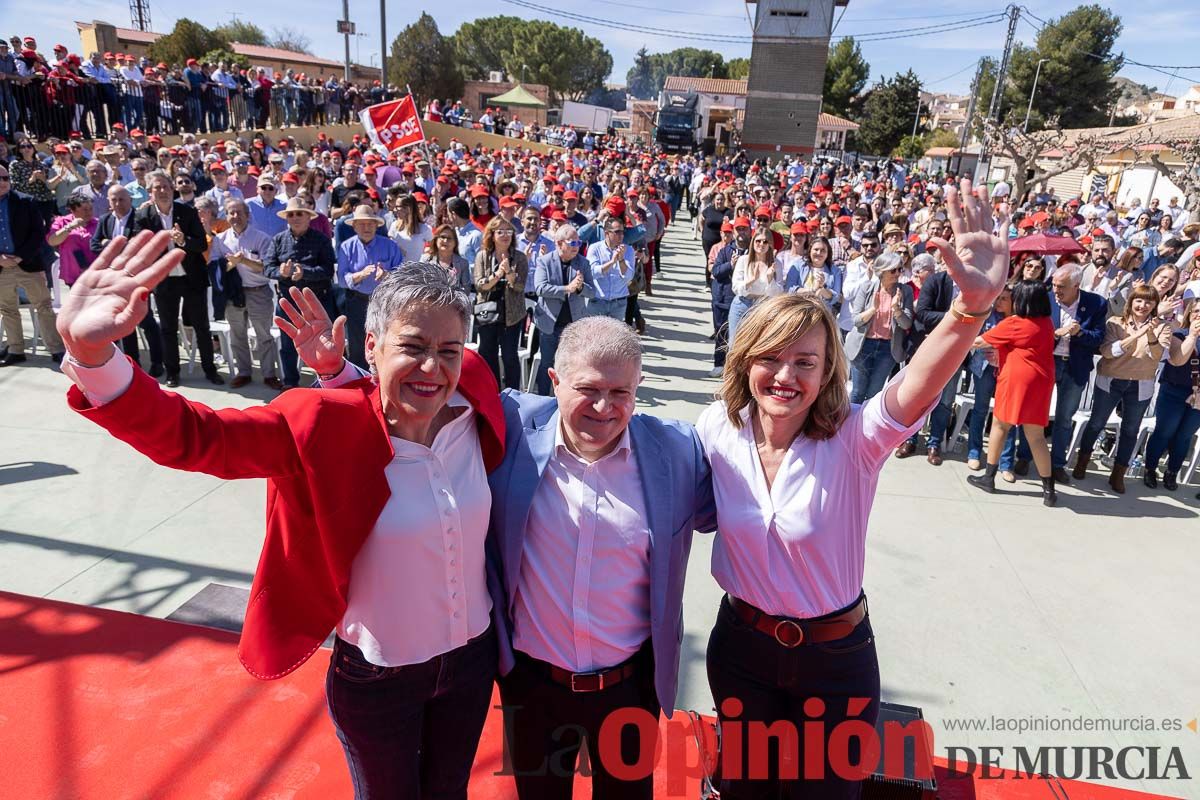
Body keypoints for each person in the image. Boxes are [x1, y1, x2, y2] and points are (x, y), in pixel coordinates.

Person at [57, 243, 506, 800]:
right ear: (373, 345)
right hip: (378, 676)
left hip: (471, 663)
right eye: (411, 347)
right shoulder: (322, 422)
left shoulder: (475, 392)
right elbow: (202, 439)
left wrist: (340, 372)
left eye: (448, 349)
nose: (433, 367)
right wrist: (97, 360)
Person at [699, 178, 1012, 799]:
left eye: (806, 362)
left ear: (828, 370)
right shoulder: (718, 428)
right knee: (743, 788)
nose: (785, 375)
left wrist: (968, 310)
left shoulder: (854, 439)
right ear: (744, 360)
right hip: (740, 651)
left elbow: (915, 388)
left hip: (834, 663)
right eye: (770, 357)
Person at [490, 315, 716, 799]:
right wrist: (333, 370)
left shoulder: (677, 452)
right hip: (533, 684)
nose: (604, 407)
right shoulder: (510, 428)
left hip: (629, 689)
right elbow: (419, 397)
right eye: (588, 388)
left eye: (621, 393)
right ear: (554, 381)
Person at [1071, 285, 1171, 493]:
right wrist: (1136, 335)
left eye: (1149, 302)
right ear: (1131, 301)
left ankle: (1118, 474)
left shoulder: (1162, 327)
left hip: (1141, 384)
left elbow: (1159, 356)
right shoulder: (1115, 323)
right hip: (1111, 380)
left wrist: (1150, 335)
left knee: (1130, 430)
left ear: (1155, 305)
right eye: (1139, 300)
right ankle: (1082, 462)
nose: (1143, 305)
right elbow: (1108, 352)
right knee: (1096, 422)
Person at [1012, 264, 1107, 482]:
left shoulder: (1096, 303)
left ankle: (1056, 465)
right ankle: (1025, 456)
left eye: (1061, 286)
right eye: (1054, 284)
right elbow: (1031, 332)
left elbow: (1098, 338)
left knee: (1065, 418)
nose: (1056, 290)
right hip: (1046, 363)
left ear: (1076, 285)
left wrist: (1080, 333)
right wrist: (1054, 335)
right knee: (1034, 413)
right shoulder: (1043, 298)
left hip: (1075, 367)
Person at [967, 280, 1058, 504]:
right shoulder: (1047, 323)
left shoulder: (1016, 323)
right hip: (1041, 382)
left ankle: (988, 477)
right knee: (1036, 437)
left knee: (1000, 426)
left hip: (1016, 380)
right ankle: (1049, 490)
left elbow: (979, 342)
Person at [132, 170, 221, 387]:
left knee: (202, 326)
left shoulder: (187, 212)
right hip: (164, 280)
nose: (162, 191)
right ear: (150, 192)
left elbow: (201, 244)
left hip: (192, 278)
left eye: (166, 187)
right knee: (168, 328)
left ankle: (210, 369)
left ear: (172, 189)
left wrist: (183, 241)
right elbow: (139, 249)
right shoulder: (143, 217)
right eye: (157, 188)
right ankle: (172, 371)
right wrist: (160, 243)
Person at [263, 195, 337, 390]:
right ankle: (290, 383)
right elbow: (267, 267)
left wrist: (306, 273)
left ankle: (326, 382)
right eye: (292, 214)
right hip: (288, 301)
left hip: (317, 301)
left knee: (323, 343)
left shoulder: (321, 240)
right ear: (287, 217)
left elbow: (328, 270)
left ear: (308, 217)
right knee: (288, 345)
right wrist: (280, 272)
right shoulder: (278, 240)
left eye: (300, 214)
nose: (296, 217)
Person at [208, 198, 280, 390]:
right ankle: (244, 372)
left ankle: (269, 374)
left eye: (240, 212)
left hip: (258, 292)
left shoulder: (262, 238)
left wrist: (243, 261)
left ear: (248, 215)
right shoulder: (220, 240)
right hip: (234, 295)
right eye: (231, 212)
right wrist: (231, 264)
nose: (236, 216)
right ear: (227, 215)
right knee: (237, 335)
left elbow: (266, 268)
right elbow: (216, 269)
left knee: (263, 335)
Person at [91, 184, 164, 375]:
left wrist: (112, 247)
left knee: (146, 321)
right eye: (113, 199)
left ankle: (158, 361)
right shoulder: (105, 220)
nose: (118, 203)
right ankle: (134, 364)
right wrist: (113, 249)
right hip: (113, 279)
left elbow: (142, 246)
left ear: (130, 200)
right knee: (124, 323)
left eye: (122, 199)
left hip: (137, 278)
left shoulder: (140, 219)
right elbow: (94, 245)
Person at [0, 162, 66, 366]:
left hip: (27, 263)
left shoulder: (26, 201)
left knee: (44, 306)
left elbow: (38, 234)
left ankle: (56, 349)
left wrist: (20, 256)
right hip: (2, 268)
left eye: (5, 178)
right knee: (8, 309)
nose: (3, 182)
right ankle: (16, 349)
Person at [1142, 300, 1200, 491]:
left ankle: (1172, 472)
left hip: (1198, 395)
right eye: (1197, 311)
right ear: (1190, 314)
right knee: (1165, 431)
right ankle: (1150, 468)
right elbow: (1177, 360)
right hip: (1174, 390)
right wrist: (1192, 336)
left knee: (1184, 436)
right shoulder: (1179, 334)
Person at [339, 204, 404, 369]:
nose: (366, 227)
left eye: (370, 223)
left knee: (384, 340)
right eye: (361, 223)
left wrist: (387, 276)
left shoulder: (390, 246)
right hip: (356, 301)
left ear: (376, 225)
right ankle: (359, 379)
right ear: (354, 226)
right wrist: (358, 275)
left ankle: (382, 377)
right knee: (357, 344)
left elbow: (401, 275)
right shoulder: (347, 247)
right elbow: (340, 278)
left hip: (383, 302)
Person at [532, 224, 594, 395]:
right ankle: (543, 398)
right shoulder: (544, 261)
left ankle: (568, 399)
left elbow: (592, 291)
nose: (577, 247)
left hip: (573, 327)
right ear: (559, 243)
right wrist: (567, 288)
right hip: (549, 324)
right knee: (547, 365)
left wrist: (580, 287)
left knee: (572, 367)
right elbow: (540, 288)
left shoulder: (583, 262)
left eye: (579, 242)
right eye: (572, 243)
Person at [845, 252, 914, 404]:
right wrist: (872, 310)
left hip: (887, 349)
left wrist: (896, 308)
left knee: (874, 394)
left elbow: (907, 324)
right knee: (857, 392)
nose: (898, 273)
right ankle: (851, 426)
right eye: (893, 270)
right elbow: (856, 320)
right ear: (882, 271)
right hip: (863, 346)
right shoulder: (867, 288)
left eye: (900, 269)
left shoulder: (905, 291)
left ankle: (867, 428)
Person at [473, 216, 528, 390]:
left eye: (509, 231)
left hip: (512, 315)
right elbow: (480, 286)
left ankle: (512, 394)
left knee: (510, 356)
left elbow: (519, 286)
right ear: (492, 234)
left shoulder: (520, 257)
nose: (505, 235)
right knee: (487, 355)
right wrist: (497, 274)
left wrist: (509, 272)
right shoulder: (482, 256)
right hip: (487, 313)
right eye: (500, 232)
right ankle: (492, 392)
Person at [965, 285, 1013, 472]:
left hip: (1008, 370)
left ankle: (1005, 462)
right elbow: (976, 338)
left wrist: (1003, 351)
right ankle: (974, 452)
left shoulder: (1017, 319)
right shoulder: (987, 314)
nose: (998, 302)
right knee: (980, 410)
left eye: (1004, 299)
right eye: (997, 297)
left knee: (1008, 415)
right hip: (984, 367)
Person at [709, 217, 751, 378]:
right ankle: (719, 363)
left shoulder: (753, 251)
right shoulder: (725, 251)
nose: (741, 233)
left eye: (744, 229)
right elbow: (715, 271)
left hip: (745, 301)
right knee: (721, 333)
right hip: (723, 298)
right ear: (734, 232)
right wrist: (730, 265)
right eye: (738, 229)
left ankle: (738, 369)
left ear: (749, 231)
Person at [727, 226, 784, 344]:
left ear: (770, 244)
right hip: (742, 305)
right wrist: (751, 280)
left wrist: (770, 279)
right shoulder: (743, 260)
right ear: (753, 242)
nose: (761, 244)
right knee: (734, 344)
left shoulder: (776, 264)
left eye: (765, 241)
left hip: (764, 307)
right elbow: (736, 287)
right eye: (758, 241)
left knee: (757, 346)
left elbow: (779, 292)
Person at [585, 215, 636, 322]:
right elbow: (592, 273)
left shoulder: (629, 250)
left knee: (614, 338)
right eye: (617, 232)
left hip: (618, 304)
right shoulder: (594, 248)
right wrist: (612, 262)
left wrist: (621, 260)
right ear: (606, 233)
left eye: (623, 232)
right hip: (597, 302)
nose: (621, 235)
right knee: (594, 336)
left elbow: (628, 278)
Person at [46, 192, 99, 286]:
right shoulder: (62, 222)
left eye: (91, 209)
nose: (89, 212)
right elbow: (52, 241)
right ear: (72, 210)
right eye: (84, 209)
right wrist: (70, 227)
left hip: (95, 273)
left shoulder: (98, 223)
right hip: (73, 273)